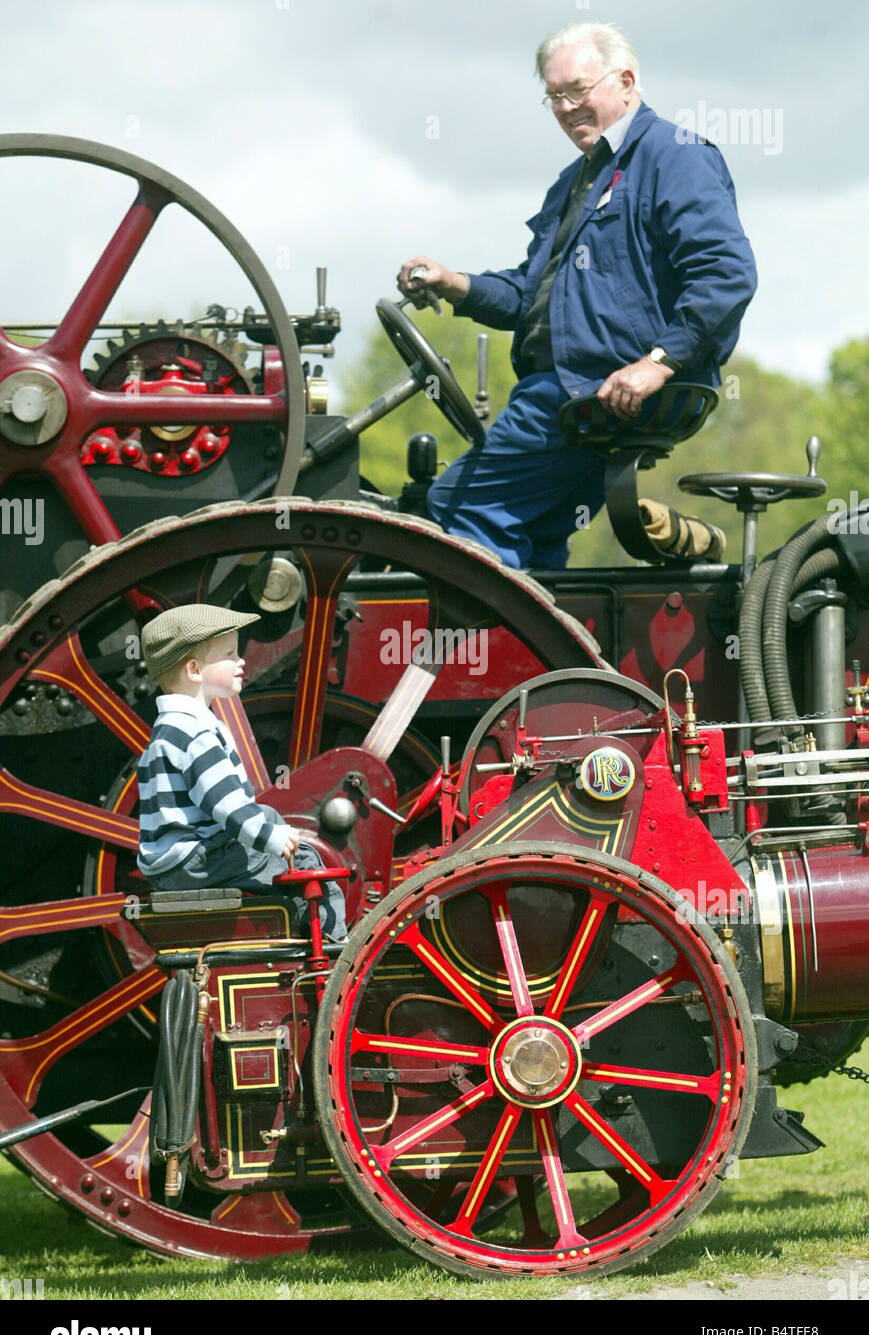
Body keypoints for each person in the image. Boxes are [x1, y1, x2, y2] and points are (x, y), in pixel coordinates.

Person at [397, 20, 757, 570]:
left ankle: (466, 655)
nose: (566, 107)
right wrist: (456, 284)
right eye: (555, 97)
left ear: (626, 81)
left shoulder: (674, 155)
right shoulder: (577, 180)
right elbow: (528, 297)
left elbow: (726, 273)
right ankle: (544, 651)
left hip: (595, 392)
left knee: (457, 505)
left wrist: (656, 363)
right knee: (534, 530)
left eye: (579, 90)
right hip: (570, 394)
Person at [136, 603, 346, 941]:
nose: (241, 661)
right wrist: (272, 839)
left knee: (268, 814)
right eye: (231, 654)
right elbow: (227, 805)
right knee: (307, 861)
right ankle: (335, 949)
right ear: (193, 669)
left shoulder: (167, 729)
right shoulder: (196, 734)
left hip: (170, 865)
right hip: (198, 860)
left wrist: (269, 826)